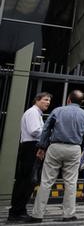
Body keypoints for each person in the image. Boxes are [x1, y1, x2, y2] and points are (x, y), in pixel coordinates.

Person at [27, 90, 84, 223]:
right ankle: (68, 214)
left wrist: (42, 147)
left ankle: (37, 215)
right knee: (71, 182)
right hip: (74, 148)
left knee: (46, 181)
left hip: (55, 147)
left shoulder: (57, 111)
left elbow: (46, 129)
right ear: (81, 102)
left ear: (68, 100)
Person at [7, 92, 51, 223]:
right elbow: (34, 130)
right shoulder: (32, 112)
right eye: (45, 100)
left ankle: (20, 210)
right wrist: (48, 132)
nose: (48, 102)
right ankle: (16, 212)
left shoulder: (37, 113)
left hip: (32, 147)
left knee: (29, 181)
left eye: (49, 100)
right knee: (25, 180)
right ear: (37, 100)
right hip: (30, 147)